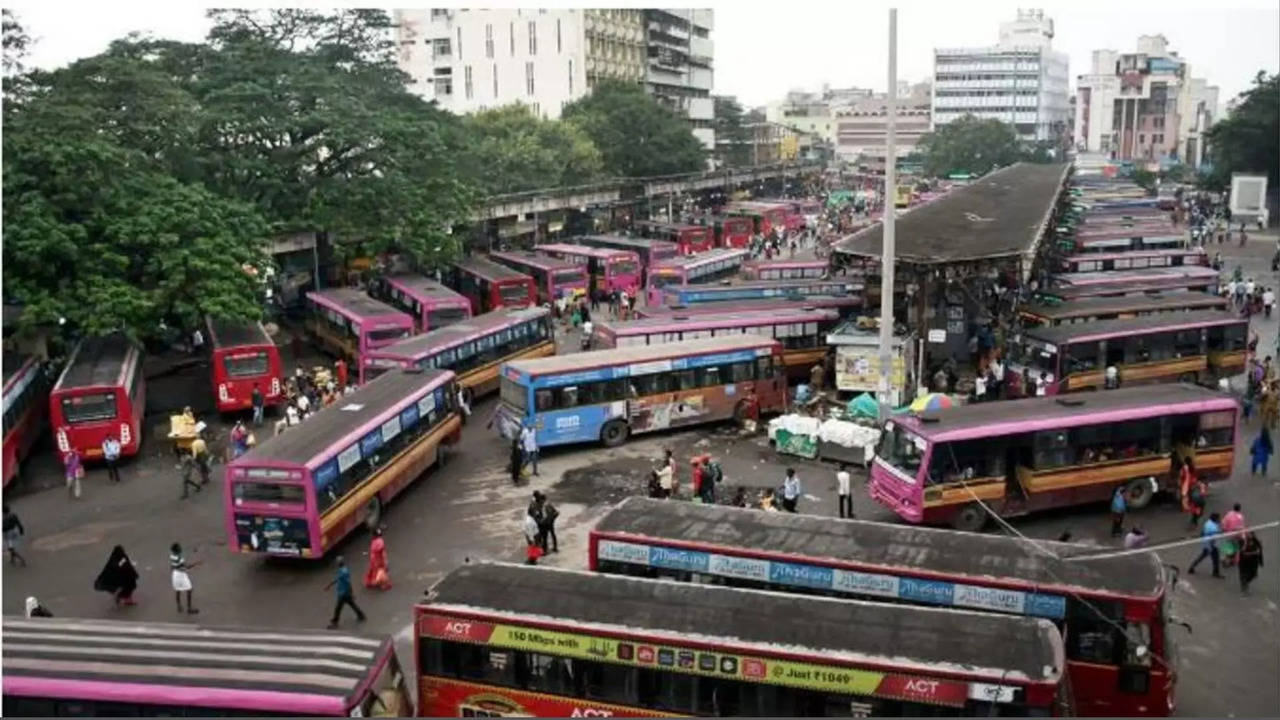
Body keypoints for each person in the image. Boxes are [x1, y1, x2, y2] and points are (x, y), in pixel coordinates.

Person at [326, 556, 366, 628]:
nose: (336, 563)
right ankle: (361, 615)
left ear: (339, 563)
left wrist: (351, 592)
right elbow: (338, 579)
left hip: (343, 593)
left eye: (337, 562)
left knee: (338, 608)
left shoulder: (343, 572)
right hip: (345, 593)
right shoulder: (343, 570)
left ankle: (335, 622)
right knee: (352, 604)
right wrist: (329, 585)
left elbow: (348, 583)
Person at [1188, 513, 1223, 578]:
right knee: (1216, 559)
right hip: (1212, 545)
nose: (1219, 519)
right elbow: (1213, 539)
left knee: (1202, 556)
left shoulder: (1208, 523)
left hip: (1206, 543)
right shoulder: (1213, 528)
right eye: (1218, 518)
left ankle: (1192, 567)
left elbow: (1202, 532)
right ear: (1215, 519)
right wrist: (1213, 547)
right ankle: (1216, 573)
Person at [169, 542, 199, 614]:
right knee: (189, 589)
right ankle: (189, 608)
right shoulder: (180, 558)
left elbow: (174, 566)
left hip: (175, 574)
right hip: (181, 575)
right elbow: (185, 566)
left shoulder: (172, 556)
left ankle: (179, 605)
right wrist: (195, 564)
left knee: (178, 590)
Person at [1221, 503, 1246, 567]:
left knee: (1228, 547)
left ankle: (1225, 559)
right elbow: (1241, 527)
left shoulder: (1228, 514)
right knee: (1236, 547)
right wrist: (1242, 535)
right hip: (1236, 535)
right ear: (1239, 509)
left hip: (1228, 534)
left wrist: (1224, 530)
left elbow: (1223, 523)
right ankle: (1235, 560)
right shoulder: (1240, 517)